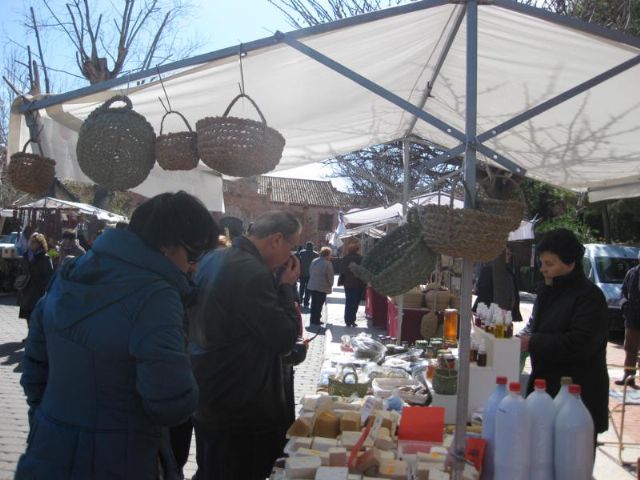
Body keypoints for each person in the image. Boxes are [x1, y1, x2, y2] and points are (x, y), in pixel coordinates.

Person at [17, 191, 219, 480]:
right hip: (118, 460)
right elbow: (169, 403)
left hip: (48, 450)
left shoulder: (69, 273)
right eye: (195, 254)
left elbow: (34, 372)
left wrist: (57, 424)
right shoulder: (157, 296)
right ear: (166, 246)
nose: (195, 266)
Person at [188, 211, 301, 480]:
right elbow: (283, 339)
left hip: (209, 389)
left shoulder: (213, 258)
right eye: (292, 246)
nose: (291, 255)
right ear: (276, 240)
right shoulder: (252, 272)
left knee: (211, 468)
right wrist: (286, 288)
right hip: (241, 401)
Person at [519, 229, 609, 451]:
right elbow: (534, 324)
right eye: (541, 263)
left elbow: (580, 344)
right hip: (546, 392)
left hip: (579, 398)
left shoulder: (590, 297)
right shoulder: (547, 291)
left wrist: (533, 343)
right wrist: (521, 338)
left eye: (549, 264)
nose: (543, 269)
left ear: (570, 263)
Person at [472, 247, 523, 322]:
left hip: (505, 314)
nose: (509, 256)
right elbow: (482, 293)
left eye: (510, 254)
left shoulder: (509, 272)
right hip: (488, 314)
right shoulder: (488, 269)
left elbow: (513, 294)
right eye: (507, 254)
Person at [17, 233, 54, 331]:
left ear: (40, 244)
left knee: (36, 314)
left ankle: (34, 334)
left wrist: (43, 287)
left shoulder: (45, 258)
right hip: (26, 288)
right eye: (30, 241)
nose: (31, 243)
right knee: (27, 314)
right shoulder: (26, 255)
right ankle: (30, 333)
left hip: (38, 290)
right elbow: (21, 270)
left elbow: (49, 274)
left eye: (34, 242)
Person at [616, 254, 640, 387]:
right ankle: (628, 376)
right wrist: (624, 305)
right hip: (632, 316)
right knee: (630, 347)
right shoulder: (632, 273)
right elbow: (622, 292)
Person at [307, 246, 335, 326]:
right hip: (322, 286)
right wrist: (331, 284)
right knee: (319, 304)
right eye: (330, 254)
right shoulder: (328, 263)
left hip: (312, 285)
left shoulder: (314, 260)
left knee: (314, 303)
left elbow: (310, 271)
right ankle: (316, 319)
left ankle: (312, 319)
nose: (330, 256)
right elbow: (330, 276)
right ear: (327, 254)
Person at [341, 241, 366, 327]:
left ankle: (347, 320)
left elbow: (343, 270)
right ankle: (352, 320)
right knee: (355, 302)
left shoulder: (345, 258)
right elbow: (363, 271)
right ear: (357, 250)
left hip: (347, 283)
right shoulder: (361, 259)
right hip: (358, 284)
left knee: (348, 301)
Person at [297, 241, 319, 308]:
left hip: (302, 273)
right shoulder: (316, 254)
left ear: (306, 246)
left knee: (301, 287)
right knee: (308, 288)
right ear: (312, 246)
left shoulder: (302, 253)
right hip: (311, 274)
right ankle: (306, 302)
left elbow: (299, 263)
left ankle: (300, 300)